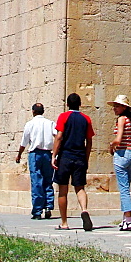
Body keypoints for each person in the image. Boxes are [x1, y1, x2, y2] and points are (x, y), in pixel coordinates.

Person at [52, 92, 94, 231]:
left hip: (65, 156)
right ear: (80, 105)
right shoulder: (86, 119)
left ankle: (64, 222)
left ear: (67, 104)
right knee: (80, 187)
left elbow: (59, 136)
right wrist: (86, 158)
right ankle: (84, 210)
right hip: (80, 156)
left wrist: (54, 155)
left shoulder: (63, 117)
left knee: (63, 190)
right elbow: (89, 141)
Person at [108, 94, 131, 230]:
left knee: (123, 189)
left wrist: (111, 146)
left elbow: (118, 139)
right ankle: (124, 218)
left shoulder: (122, 119)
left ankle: (128, 219)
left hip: (122, 154)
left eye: (117, 106)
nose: (115, 109)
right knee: (125, 187)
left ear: (124, 107)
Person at [16, 102, 56, 220]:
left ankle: (37, 210)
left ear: (33, 111)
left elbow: (24, 142)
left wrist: (19, 155)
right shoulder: (50, 123)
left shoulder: (30, 124)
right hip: (48, 154)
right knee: (48, 180)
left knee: (37, 181)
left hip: (35, 154)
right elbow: (58, 135)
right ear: (43, 111)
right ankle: (48, 206)